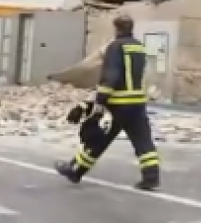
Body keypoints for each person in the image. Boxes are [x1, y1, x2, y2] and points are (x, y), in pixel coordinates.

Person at [55, 14, 161, 190]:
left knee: (99, 139)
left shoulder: (115, 47)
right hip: (137, 102)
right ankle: (151, 176)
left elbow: (111, 76)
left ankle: (76, 170)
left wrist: (99, 101)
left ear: (116, 29)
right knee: (143, 140)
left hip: (118, 104)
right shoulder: (139, 47)